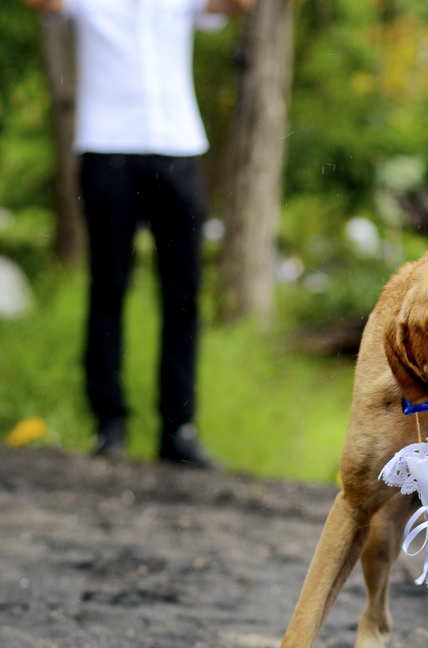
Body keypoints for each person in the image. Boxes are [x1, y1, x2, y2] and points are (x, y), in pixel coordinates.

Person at [23, 0, 255, 467]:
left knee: (184, 293)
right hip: (107, 148)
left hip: (178, 148)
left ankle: (179, 429)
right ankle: (109, 425)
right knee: (108, 287)